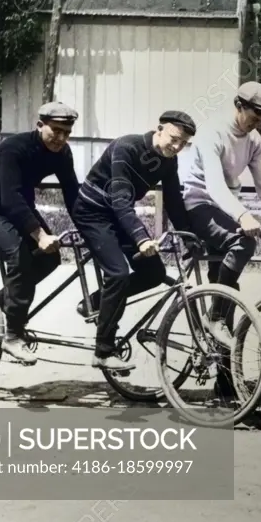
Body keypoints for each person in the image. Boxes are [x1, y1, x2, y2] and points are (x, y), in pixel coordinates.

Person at [177, 81, 261, 344]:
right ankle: (215, 317)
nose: (256, 124)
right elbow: (214, 185)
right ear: (239, 106)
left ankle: (227, 384)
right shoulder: (212, 133)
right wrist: (243, 216)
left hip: (223, 208)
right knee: (243, 242)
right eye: (253, 117)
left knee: (227, 291)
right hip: (198, 204)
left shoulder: (254, 140)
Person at [72, 111, 197, 372]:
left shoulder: (168, 160)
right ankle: (103, 350)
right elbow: (119, 199)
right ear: (159, 129)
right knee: (117, 274)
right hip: (92, 212)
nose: (176, 147)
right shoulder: (126, 147)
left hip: (119, 214)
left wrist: (188, 237)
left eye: (183, 144)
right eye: (173, 139)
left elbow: (174, 201)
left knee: (153, 273)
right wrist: (141, 237)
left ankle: (95, 303)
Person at [0, 102, 81, 364]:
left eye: (67, 133)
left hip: (20, 207)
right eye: (56, 130)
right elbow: (11, 199)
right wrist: (40, 235)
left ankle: (4, 300)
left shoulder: (62, 153)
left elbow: (73, 195)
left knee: (51, 258)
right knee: (20, 258)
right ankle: (12, 336)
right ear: (40, 125)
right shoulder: (14, 148)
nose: (61, 138)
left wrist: (90, 227)